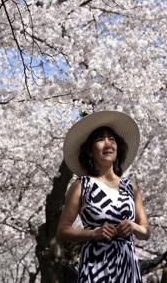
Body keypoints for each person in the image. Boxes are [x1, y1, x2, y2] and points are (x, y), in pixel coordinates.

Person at [57, 111, 150, 283]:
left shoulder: (132, 187)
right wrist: (94, 234)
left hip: (128, 268)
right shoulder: (81, 185)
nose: (108, 143)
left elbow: (146, 231)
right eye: (100, 140)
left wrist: (133, 227)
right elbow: (62, 231)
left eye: (112, 139)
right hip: (95, 267)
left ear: (117, 148)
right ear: (90, 151)